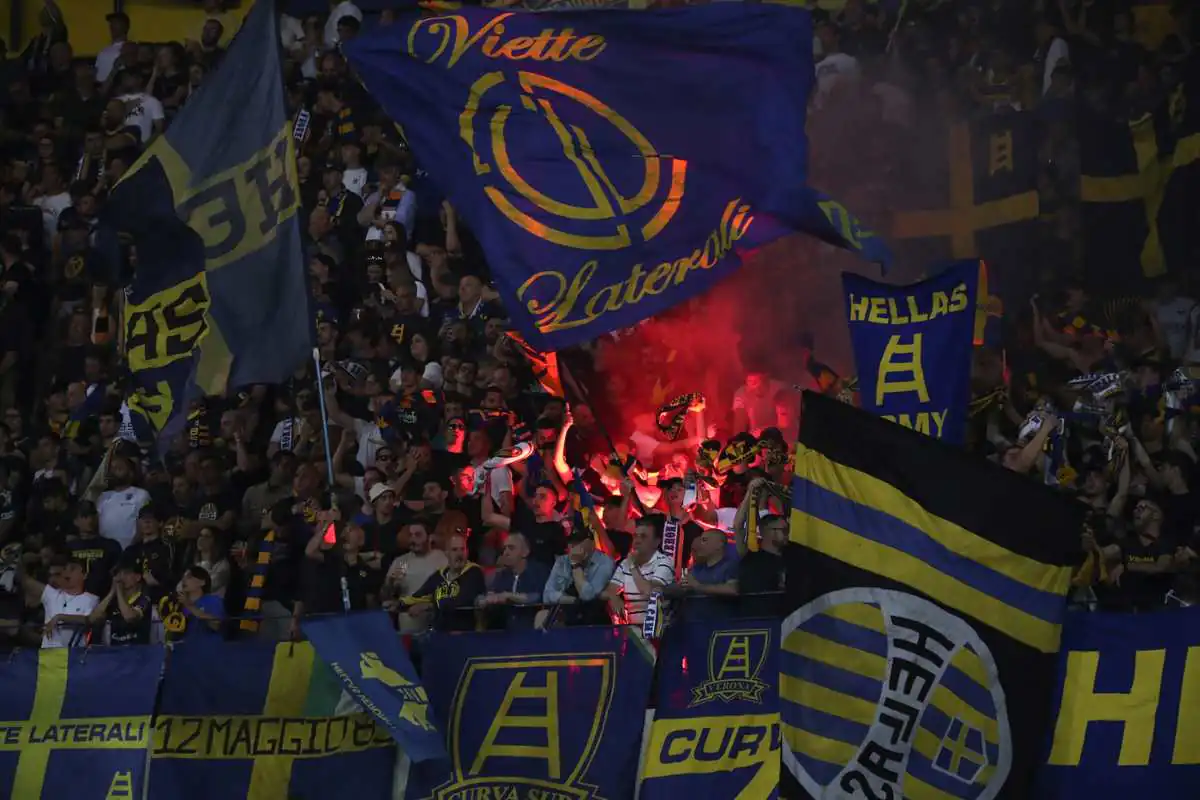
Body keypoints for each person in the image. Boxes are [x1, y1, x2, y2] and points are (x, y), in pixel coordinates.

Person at [402, 532, 485, 631]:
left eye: (462, 549)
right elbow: (419, 595)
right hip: (440, 633)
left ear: (467, 552)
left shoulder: (474, 572)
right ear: (446, 553)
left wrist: (429, 605)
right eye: (454, 550)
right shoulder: (439, 575)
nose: (459, 554)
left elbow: (463, 600)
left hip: (466, 633)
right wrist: (399, 604)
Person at [604, 515, 675, 625]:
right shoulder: (626, 563)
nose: (637, 541)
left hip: (658, 631)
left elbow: (650, 592)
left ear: (656, 542)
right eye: (635, 536)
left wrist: (633, 567)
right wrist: (613, 597)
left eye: (643, 537)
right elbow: (609, 591)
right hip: (632, 630)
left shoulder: (664, 562)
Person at [19, 554, 98, 648]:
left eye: (72, 569)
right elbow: (24, 580)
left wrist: (60, 617)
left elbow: (88, 620)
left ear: (84, 575)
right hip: (49, 654)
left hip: (75, 655)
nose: (67, 573)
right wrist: (18, 561)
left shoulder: (91, 599)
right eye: (65, 569)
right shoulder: (52, 594)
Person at [539, 529, 615, 627]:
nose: (574, 547)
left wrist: (575, 565)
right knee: (543, 617)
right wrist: (573, 600)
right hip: (567, 613)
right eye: (571, 543)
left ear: (591, 544)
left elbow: (587, 596)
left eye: (578, 543)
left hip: (594, 617)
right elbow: (547, 595)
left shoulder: (605, 562)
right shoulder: (562, 561)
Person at [478, 532, 550, 630]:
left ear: (525, 552)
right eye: (504, 549)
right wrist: (485, 599)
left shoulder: (539, 571)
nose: (506, 553)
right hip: (504, 634)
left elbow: (538, 597)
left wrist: (509, 596)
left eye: (511, 548)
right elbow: (490, 595)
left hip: (531, 632)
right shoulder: (502, 575)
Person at [88, 562, 152, 645]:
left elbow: (129, 617)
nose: (121, 577)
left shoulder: (144, 599)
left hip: (137, 651)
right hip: (115, 651)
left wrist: (118, 591)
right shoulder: (113, 601)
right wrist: (111, 592)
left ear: (138, 577)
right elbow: (93, 618)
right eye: (118, 574)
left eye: (126, 573)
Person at [158, 565, 224, 641]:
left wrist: (190, 606)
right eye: (183, 577)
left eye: (189, 577)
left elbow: (216, 625)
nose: (184, 580)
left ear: (202, 582)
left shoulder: (213, 601)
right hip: (184, 649)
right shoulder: (178, 604)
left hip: (208, 649)